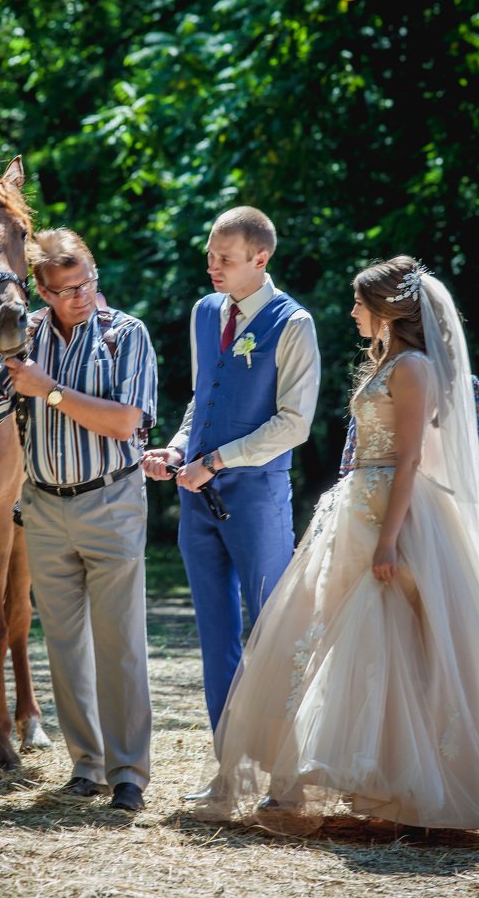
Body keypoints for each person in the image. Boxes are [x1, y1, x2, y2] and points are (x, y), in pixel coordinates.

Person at [192, 256, 479, 834]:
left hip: (394, 517)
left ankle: (411, 790)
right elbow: (363, 449)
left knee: (391, 642)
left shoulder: (423, 369)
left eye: (358, 303)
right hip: (356, 510)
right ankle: (346, 781)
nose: (349, 312)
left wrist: (389, 539)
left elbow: (422, 455)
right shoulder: (384, 365)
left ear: (388, 312)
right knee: (327, 638)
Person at [0, 227, 157, 813]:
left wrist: (50, 392)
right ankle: (86, 767)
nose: (79, 297)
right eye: (64, 289)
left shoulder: (126, 334)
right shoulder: (23, 338)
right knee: (65, 646)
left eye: (85, 284)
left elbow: (127, 424)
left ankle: (129, 775)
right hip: (42, 506)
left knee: (119, 644)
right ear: (40, 290)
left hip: (112, 501)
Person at [142, 206, 320, 741]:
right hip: (197, 499)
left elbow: (294, 424)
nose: (213, 267)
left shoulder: (293, 323)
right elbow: (201, 401)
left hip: (258, 498)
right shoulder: (205, 311)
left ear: (260, 258)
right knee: (214, 632)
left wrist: (215, 461)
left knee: (273, 629)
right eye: (210, 256)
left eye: (226, 258)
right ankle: (229, 764)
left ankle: (283, 765)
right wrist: (176, 450)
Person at [340, 378, 479, 525]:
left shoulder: (465, 387)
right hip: (379, 508)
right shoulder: (375, 390)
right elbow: (354, 456)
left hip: (448, 513)